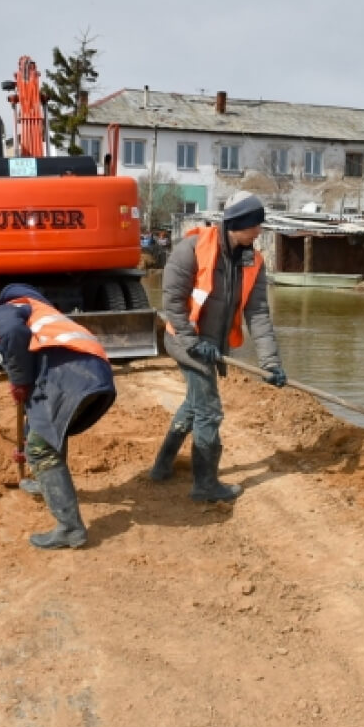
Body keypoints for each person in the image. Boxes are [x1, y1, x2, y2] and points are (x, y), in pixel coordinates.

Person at [153, 192, 287, 501]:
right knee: (209, 411)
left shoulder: (252, 260)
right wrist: (192, 341)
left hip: (213, 343)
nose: (260, 231)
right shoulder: (191, 250)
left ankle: (162, 466)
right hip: (183, 339)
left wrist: (270, 362)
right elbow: (172, 303)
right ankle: (205, 485)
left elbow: (258, 313)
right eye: (256, 225)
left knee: (194, 403)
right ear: (239, 224)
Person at [0, 283, 116, 549]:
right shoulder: (37, 308)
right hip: (93, 371)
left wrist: (19, 380)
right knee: (47, 432)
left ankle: (70, 529)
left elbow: (11, 333)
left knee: (40, 451)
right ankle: (47, 487)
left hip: (69, 376)